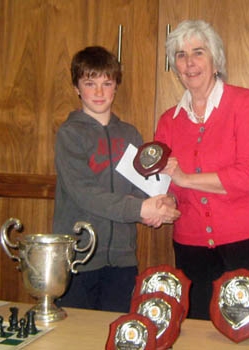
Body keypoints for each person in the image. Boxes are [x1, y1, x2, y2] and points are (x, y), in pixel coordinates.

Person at [155, 20, 249, 325]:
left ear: (215, 59)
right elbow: (166, 184)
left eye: (198, 52)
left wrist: (186, 179)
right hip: (192, 251)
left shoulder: (244, 102)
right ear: (175, 66)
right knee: (200, 335)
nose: (189, 63)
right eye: (180, 55)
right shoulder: (168, 121)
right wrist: (165, 203)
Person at [53, 46, 180, 312]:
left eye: (106, 83)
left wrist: (163, 200)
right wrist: (140, 208)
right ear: (77, 87)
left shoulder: (130, 135)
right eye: (90, 83)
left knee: (116, 333)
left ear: (115, 87)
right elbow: (84, 194)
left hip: (122, 261)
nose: (99, 92)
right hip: (78, 259)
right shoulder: (70, 134)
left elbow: (141, 189)